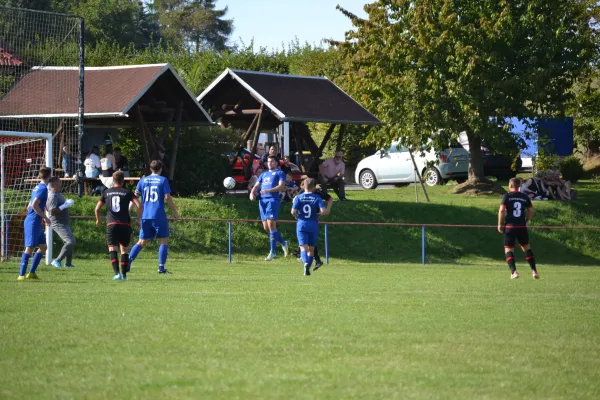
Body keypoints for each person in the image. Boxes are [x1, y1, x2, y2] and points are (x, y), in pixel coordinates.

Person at [128, 160, 180, 274]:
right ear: (160, 169)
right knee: (163, 241)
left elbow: (134, 197)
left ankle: (128, 261)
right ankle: (161, 268)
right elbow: (168, 197)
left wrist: (128, 210)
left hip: (145, 216)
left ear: (150, 169)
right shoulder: (163, 180)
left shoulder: (143, 181)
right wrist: (175, 212)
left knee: (141, 241)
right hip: (158, 215)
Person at [95, 171, 142, 280]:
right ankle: (124, 275)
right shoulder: (127, 192)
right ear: (123, 180)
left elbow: (97, 208)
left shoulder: (106, 192)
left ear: (113, 180)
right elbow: (139, 206)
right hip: (125, 224)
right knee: (124, 250)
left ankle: (117, 274)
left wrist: (98, 220)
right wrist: (138, 220)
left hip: (111, 224)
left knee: (112, 249)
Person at [498, 178, 540, 280]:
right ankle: (534, 271)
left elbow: (502, 210)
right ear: (519, 186)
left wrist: (500, 224)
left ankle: (514, 272)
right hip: (521, 226)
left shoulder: (506, 196)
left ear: (510, 186)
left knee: (508, 249)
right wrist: (525, 221)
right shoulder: (524, 197)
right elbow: (530, 210)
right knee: (527, 248)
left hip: (510, 227)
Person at [250, 155, 289, 261]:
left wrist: (269, 191)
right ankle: (283, 242)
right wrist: (252, 193)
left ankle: (273, 252)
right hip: (262, 201)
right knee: (266, 228)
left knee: (271, 226)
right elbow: (257, 185)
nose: (269, 163)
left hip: (272, 200)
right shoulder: (263, 174)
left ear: (276, 163)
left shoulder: (280, 173)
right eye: (268, 161)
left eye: (272, 161)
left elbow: (281, 186)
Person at [18, 167, 52, 280]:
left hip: (35, 221)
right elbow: (34, 205)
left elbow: (29, 205)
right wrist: (45, 217)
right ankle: (21, 275)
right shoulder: (43, 189)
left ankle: (31, 273)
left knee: (43, 247)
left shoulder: (37, 187)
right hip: (32, 222)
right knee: (30, 248)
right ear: (49, 176)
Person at [293, 182, 334, 270]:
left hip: (308, 220)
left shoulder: (318, 193)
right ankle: (316, 260)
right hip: (309, 220)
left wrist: (328, 209)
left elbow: (330, 199)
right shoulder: (303, 192)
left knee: (307, 245)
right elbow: (295, 199)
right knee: (309, 245)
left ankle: (308, 258)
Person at [47, 177, 76, 269]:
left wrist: (65, 205)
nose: (61, 183)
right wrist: (65, 205)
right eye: (59, 182)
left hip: (63, 222)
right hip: (58, 223)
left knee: (68, 241)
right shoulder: (53, 195)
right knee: (70, 241)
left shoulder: (57, 194)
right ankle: (57, 260)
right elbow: (51, 211)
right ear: (54, 184)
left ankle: (68, 264)